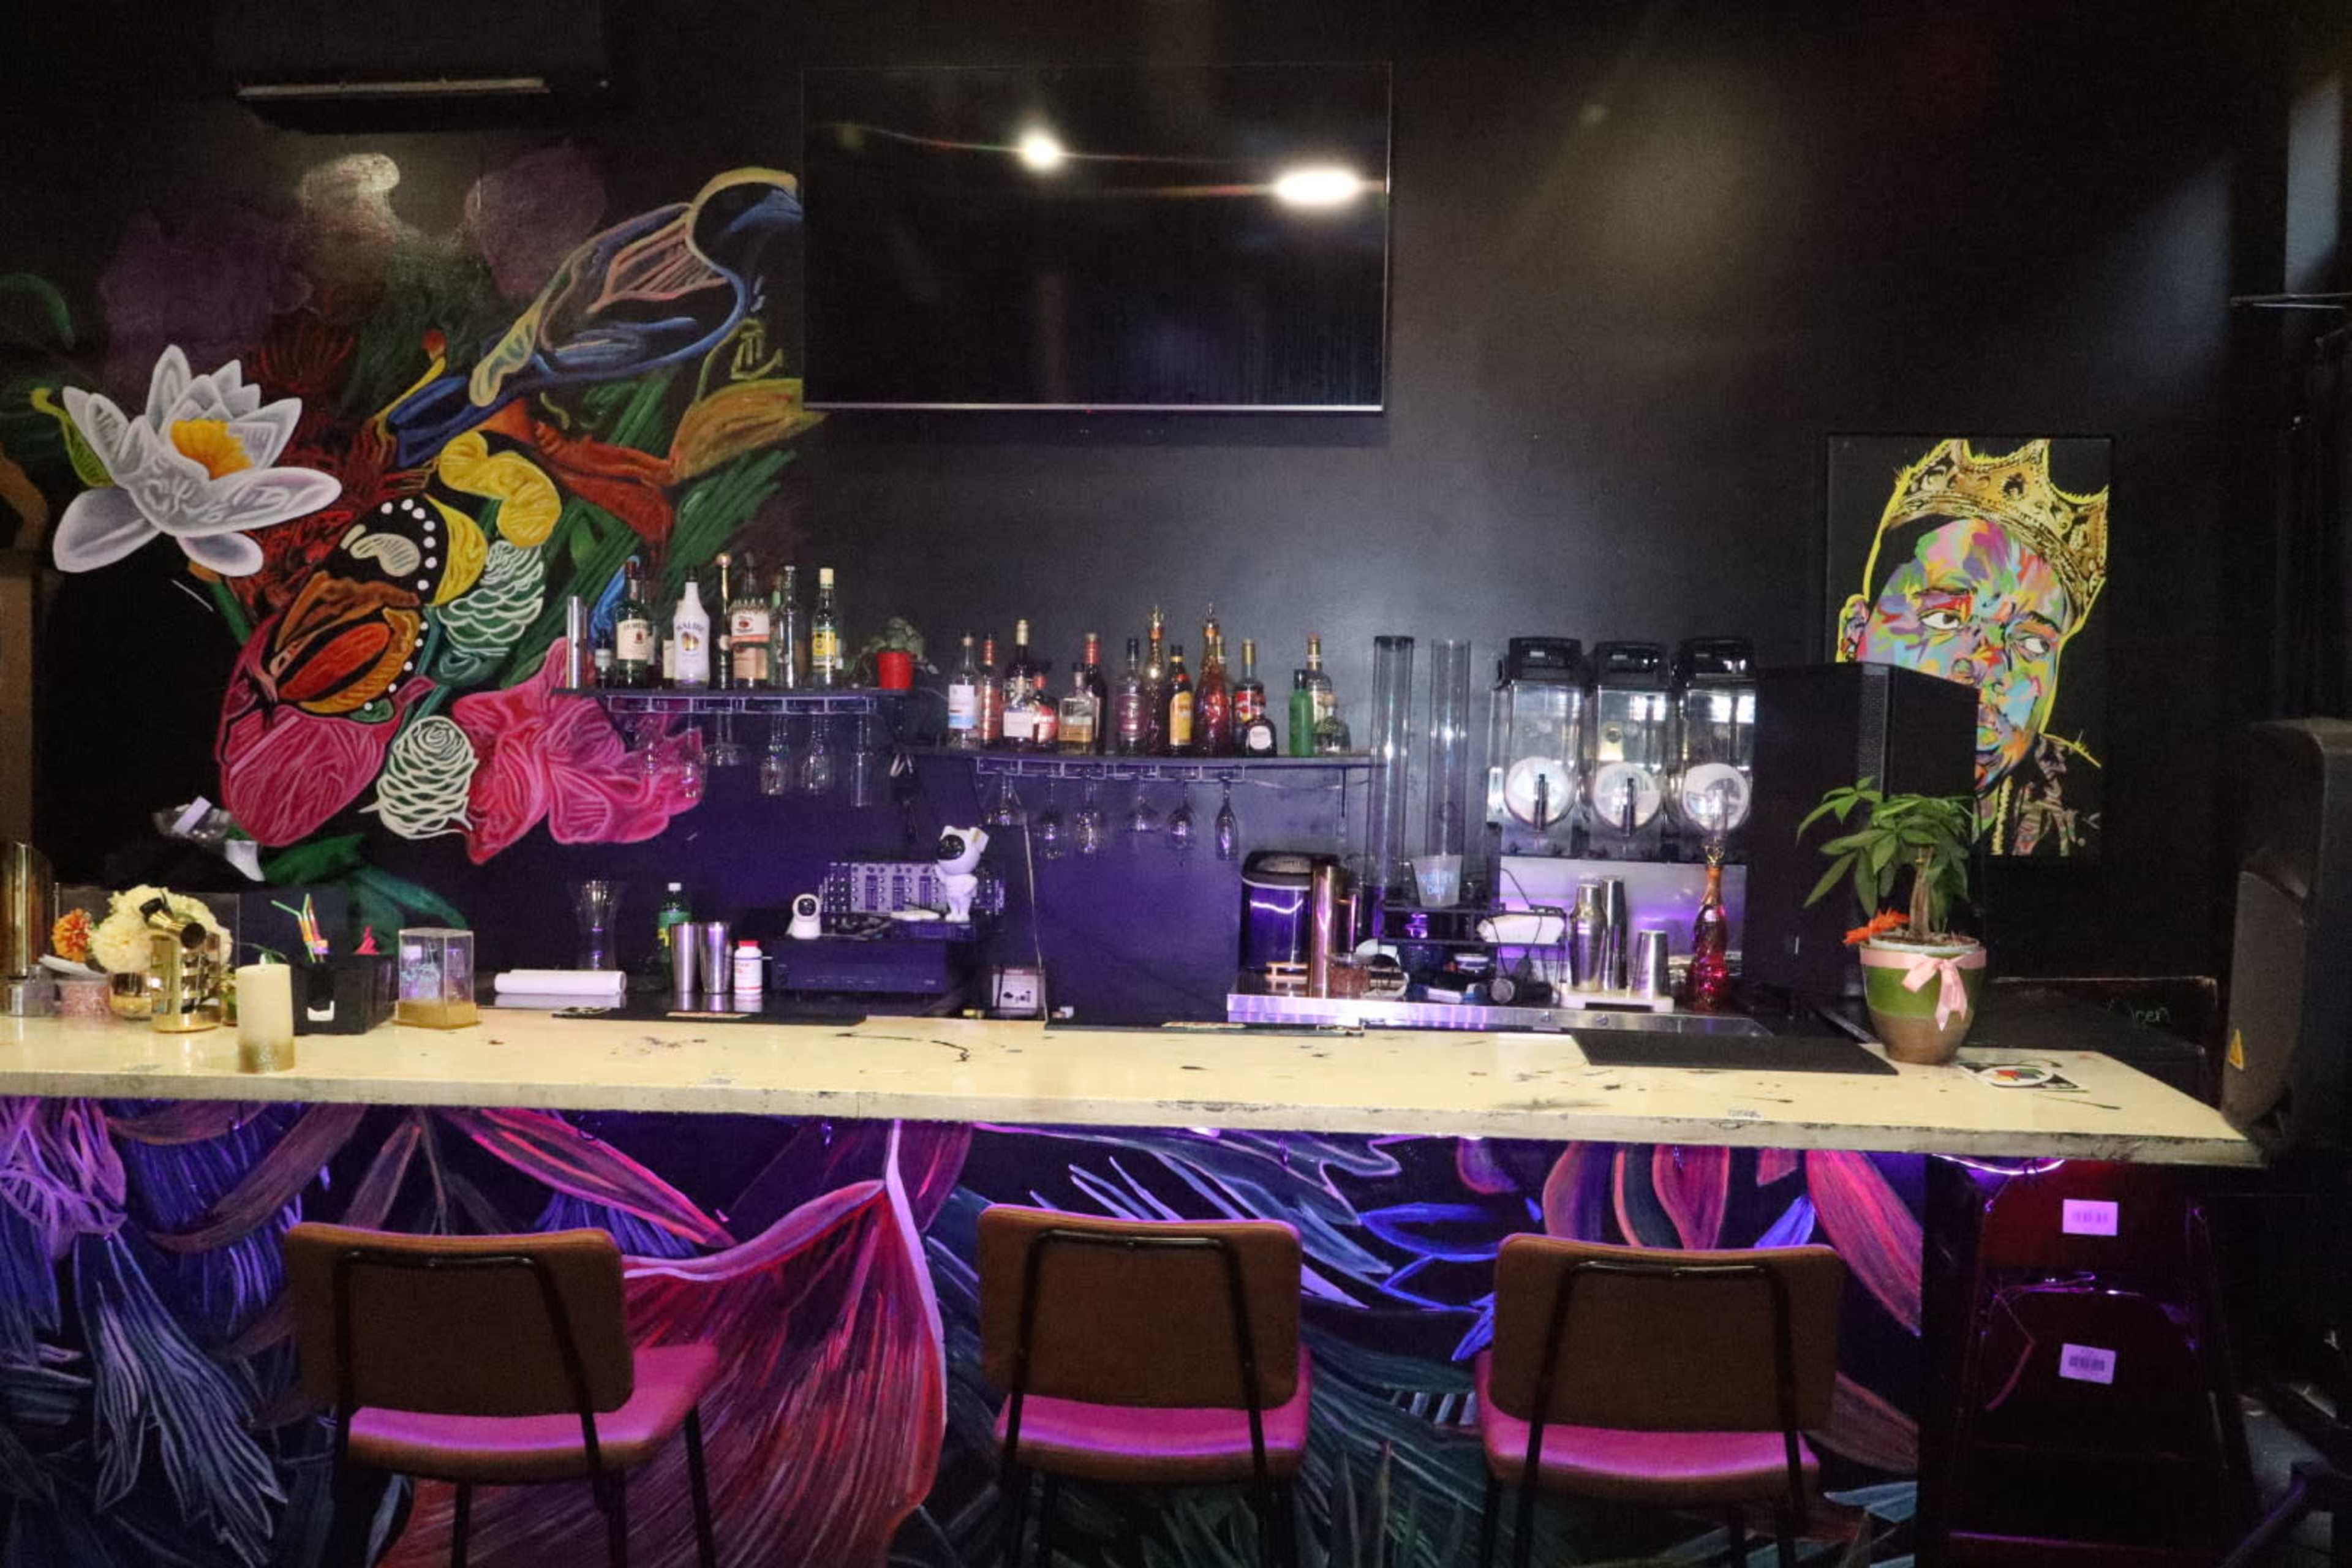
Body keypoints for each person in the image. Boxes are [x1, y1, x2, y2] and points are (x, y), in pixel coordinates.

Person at [1836, 438, 2109, 856]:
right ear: (1854, 637)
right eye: (1944, 620)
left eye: (2032, 643)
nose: (1989, 668)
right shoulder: (1791, 779)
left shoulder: (2085, 813)